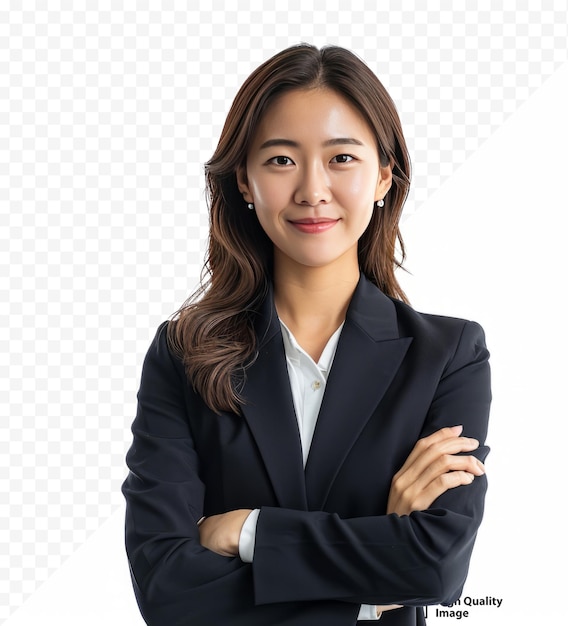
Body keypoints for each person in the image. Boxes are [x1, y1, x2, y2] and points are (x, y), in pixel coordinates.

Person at [122, 43, 491, 626]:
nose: (312, 190)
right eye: (280, 160)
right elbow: (167, 590)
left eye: (341, 158)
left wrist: (248, 530)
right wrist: (377, 568)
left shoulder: (448, 357)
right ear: (244, 179)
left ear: (383, 175)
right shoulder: (182, 354)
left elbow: (436, 568)